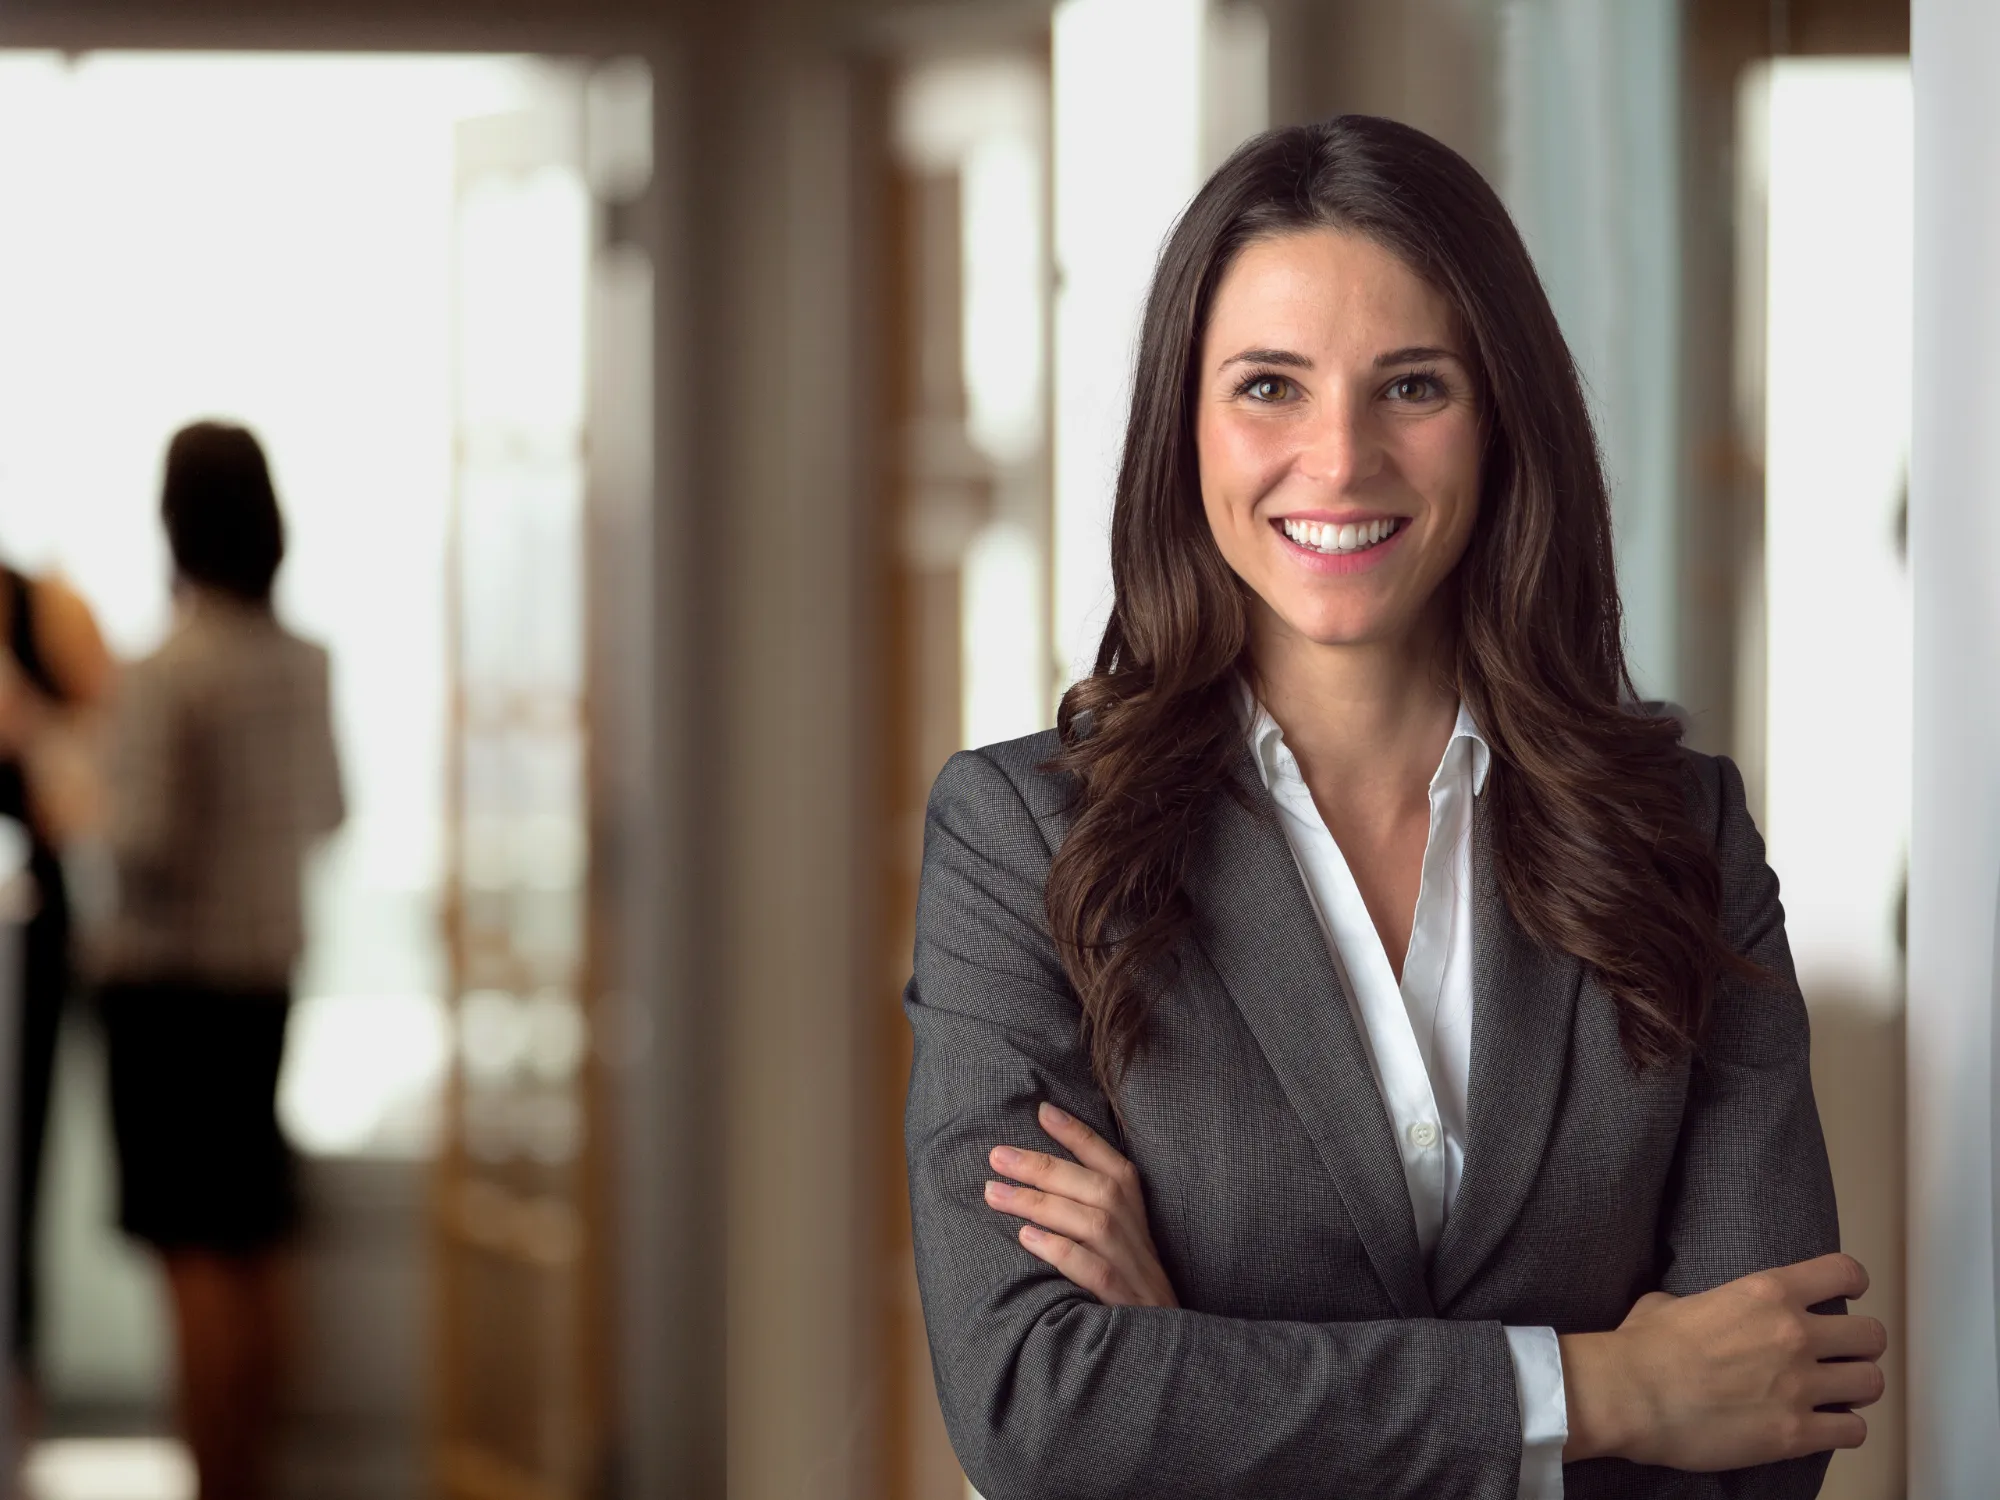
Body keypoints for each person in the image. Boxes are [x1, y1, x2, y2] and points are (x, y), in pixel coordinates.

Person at [904, 116, 1884, 1499]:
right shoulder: (1027, 842)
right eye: (1268, 387)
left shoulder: (1683, 836)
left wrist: (1198, 1363)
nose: (1341, 458)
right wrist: (1604, 1389)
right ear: (1185, 428)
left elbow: (1770, 1417)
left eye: (1411, 386)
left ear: (1500, 419)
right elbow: (1040, 1409)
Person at [98, 422, 343, 1500]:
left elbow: (140, 845)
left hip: (168, 995)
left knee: (193, 1256)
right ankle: (257, 1477)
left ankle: (215, 1481)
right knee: (254, 1242)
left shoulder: (167, 673)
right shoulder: (303, 664)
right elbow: (331, 811)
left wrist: (68, 778)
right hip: (261, 989)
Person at [0, 560, 111, 1387]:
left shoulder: (51, 608)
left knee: (17, 1169)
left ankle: (18, 1393)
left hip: (26, 948)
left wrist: (29, 723)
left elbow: (99, 790)